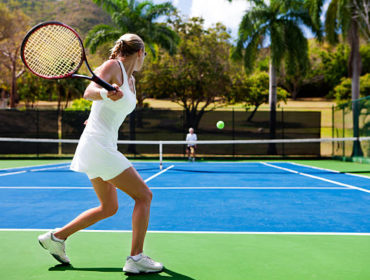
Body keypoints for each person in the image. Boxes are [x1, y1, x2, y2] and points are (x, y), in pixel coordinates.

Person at [37, 34, 163, 274]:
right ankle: (135, 258)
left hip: (100, 143)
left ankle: (56, 237)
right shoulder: (112, 66)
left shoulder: (131, 80)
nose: (144, 58)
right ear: (139, 53)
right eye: (144, 54)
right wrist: (106, 93)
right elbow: (90, 92)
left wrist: (97, 113)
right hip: (98, 145)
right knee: (144, 196)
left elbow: (108, 110)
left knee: (109, 207)